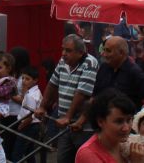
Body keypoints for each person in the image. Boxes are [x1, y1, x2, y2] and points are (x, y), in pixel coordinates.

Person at [36, 34, 98, 163]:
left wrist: (68, 117)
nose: (64, 53)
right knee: (62, 159)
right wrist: (42, 106)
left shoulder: (90, 63)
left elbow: (81, 93)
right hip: (64, 125)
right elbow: (52, 84)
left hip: (82, 126)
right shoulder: (63, 61)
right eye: (63, 49)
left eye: (68, 51)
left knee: (83, 158)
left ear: (80, 53)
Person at [75, 90, 144, 163]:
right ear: (100, 121)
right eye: (119, 121)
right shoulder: (88, 154)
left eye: (129, 120)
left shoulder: (127, 145)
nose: (126, 128)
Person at [92, 37, 144, 107]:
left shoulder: (134, 72)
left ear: (121, 53)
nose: (104, 54)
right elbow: (94, 96)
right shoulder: (104, 68)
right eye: (104, 50)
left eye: (108, 51)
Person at [11, 66, 43, 163]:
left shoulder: (31, 96)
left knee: (17, 153)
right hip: (33, 125)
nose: (24, 81)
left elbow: (30, 116)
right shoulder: (35, 92)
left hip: (29, 125)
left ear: (35, 80)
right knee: (29, 152)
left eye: (27, 79)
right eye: (23, 78)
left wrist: (21, 126)